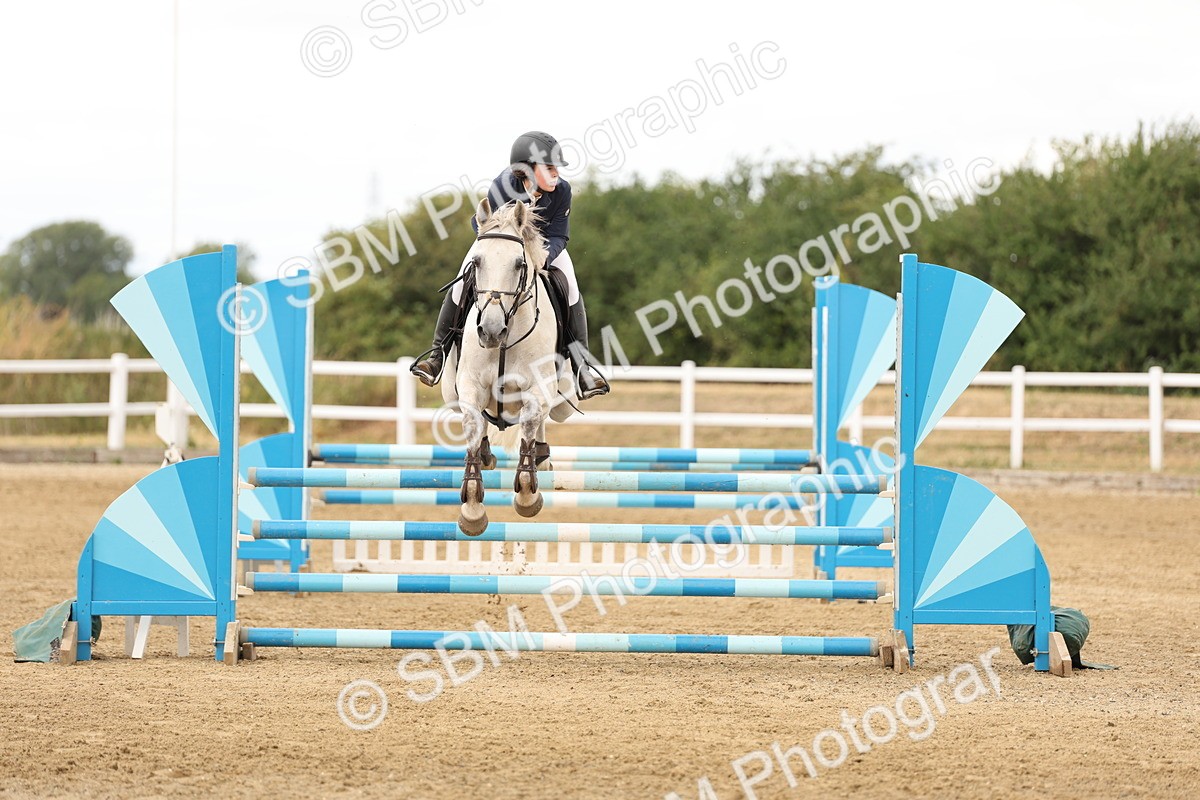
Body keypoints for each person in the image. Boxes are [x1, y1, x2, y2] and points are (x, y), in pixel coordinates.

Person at [410, 130, 610, 400]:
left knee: (571, 287)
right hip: (498, 240)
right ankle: (436, 355)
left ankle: (583, 369)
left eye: (556, 169)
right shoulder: (502, 186)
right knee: (463, 277)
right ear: (526, 169)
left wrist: (543, 258)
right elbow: (501, 234)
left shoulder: (562, 190)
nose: (556, 175)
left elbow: (559, 234)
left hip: (544, 246)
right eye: (548, 168)